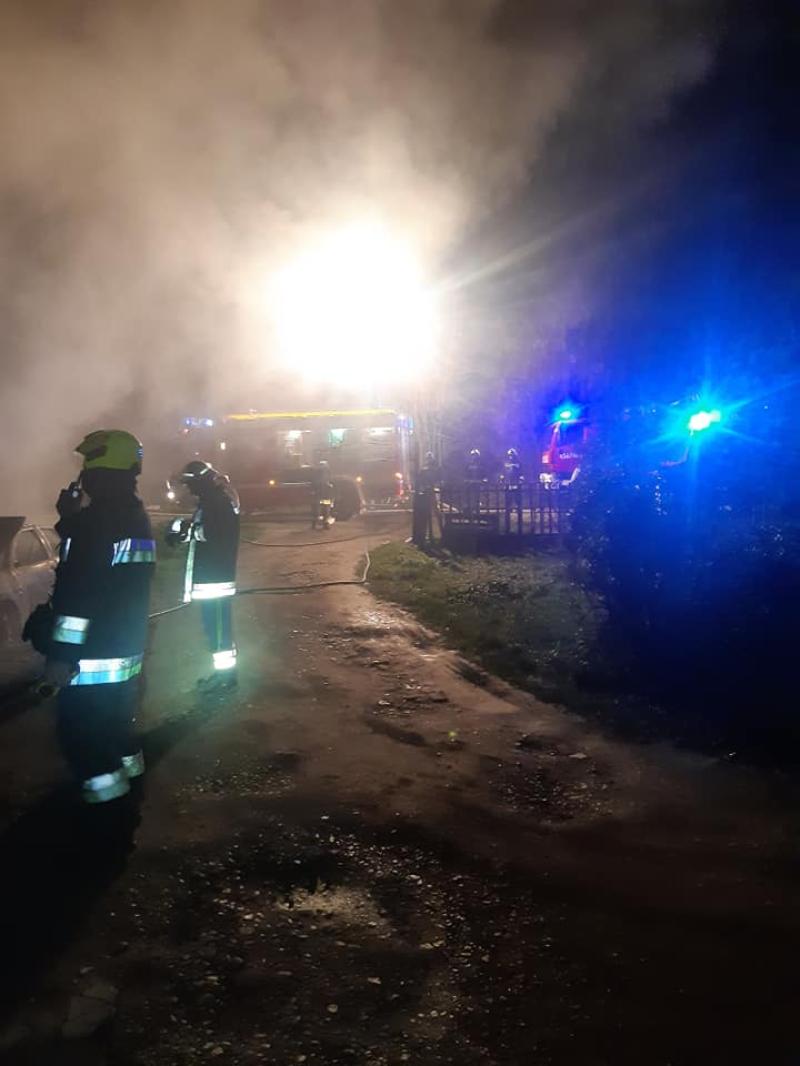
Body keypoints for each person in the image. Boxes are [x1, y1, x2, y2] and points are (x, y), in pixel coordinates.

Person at [33, 430, 155, 804]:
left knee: (80, 735)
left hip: (92, 655)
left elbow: (78, 599)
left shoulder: (95, 523)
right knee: (116, 728)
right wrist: (71, 521)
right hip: (127, 647)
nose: (83, 474)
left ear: (101, 469)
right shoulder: (133, 516)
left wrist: (61, 656)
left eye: (88, 465)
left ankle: (106, 807)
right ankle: (130, 787)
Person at [168, 460, 240, 688]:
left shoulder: (218, 502)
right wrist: (184, 530)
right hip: (211, 578)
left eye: (190, 483)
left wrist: (185, 530)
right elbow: (206, 530)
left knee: (218, 631)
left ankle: (225, 678)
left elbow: (214, 533)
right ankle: (223, 676)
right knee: (214, 629)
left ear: (200, 481)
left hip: (215, 580)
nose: (189, 488)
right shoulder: (212, 501)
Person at [310, 460, 335, 531]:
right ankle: (324, 524)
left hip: (319, 495)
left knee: (318, 510)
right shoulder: (327, 474)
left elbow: (313, 484)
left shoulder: (316, 474)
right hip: (323, 495)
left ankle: (315, 524)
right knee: (324, 509)